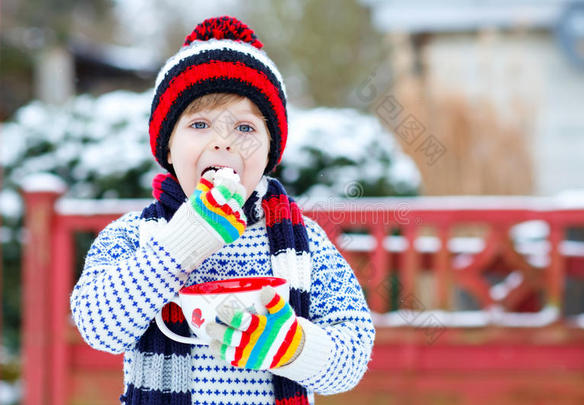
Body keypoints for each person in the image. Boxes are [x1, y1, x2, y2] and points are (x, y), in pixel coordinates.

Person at [70, 15, 375, 405]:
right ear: (167, 147)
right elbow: (99, 327)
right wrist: (181, 243)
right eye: (199, 124)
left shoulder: (303, 242)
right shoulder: (135, 235)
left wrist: (294, 347)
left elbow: (353, 349)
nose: (223, 142)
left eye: (245, 128)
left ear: (269, 153)